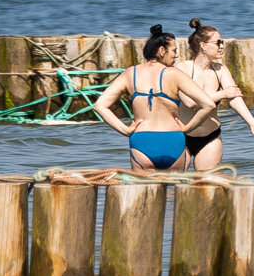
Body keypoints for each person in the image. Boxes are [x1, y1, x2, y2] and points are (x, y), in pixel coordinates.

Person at [93, 25, 220, 172]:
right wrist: (187, 128)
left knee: (144, 193)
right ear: (161, 51)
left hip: (142, 142)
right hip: (172, 140)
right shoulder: (173, 74)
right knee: (173, 192)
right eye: (174, 50)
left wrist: (125, 130)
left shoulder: (130, 73)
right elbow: (208, 105)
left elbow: (100, 106)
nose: (176, 55)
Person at [175, 19, 254, 170]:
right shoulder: (182, 68)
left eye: (222, 42)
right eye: (218, 42)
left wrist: (251, 122)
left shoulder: (221, 70)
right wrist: (222, 93)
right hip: (181, 136)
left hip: (210, 136)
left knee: (207, 184)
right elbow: (190, 102)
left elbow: (234, 97)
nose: (222, 46)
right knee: (175, 182)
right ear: (203, 46)